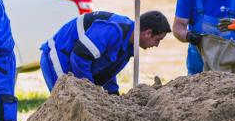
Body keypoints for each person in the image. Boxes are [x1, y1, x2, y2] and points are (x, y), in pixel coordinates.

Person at [39, 10, 171, 93]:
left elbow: (106, 70)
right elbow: (80, 55)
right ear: (148, 33)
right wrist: (88, 90)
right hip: (58, 57)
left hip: (73, 61)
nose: (157, 45)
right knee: (69, 109)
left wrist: (113, 94)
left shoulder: (129, 46)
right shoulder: (114, 30)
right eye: (158, 39)